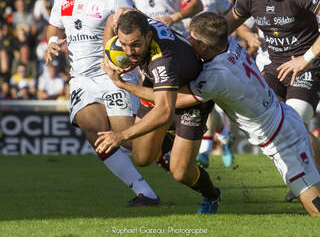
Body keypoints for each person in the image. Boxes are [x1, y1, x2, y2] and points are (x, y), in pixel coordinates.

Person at [105, 11, 320, 216]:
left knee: (314, 206)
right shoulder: (230, 46)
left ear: (204, 46)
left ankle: (177, 144)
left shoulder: (216, 76)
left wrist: (124, 86)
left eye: (193, 38)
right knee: (144, 157)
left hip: (282, 138)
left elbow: (173, 102)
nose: (188, 40)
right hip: (282, 117)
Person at [46, 0, 159, 207]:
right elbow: (53, 29)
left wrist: (125, 17)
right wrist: (50, 43)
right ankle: (145, 193)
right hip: (82, 79)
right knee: (96, 134)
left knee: (129, 140)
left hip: (113, 76)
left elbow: (133, 21)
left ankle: (167, 135)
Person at [96, 10, 221, 214]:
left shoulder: (163, 60)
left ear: (149, 36)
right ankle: (171, 134)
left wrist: (121, 133)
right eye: (124, 44)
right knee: (142, 159)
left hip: (191, 96)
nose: (129, 52)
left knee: (180, 173)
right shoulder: (136, 25)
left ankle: (212, 195)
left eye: (135, 44)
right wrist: (110, 57)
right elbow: (112, 18)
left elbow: (164, 110)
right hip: (160, 87)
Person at [225, 0, 320, 202]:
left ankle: (309, 181)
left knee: (294, 122)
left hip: (308, 68)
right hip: (273, 69)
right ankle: (308, 175)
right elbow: (224, 26)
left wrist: (306, 58)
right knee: (276, 127)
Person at [178, 0, 234, 168]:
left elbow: (229, 15)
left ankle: (223, 137)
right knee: (205, 101)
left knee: (219, 103)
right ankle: (210, 146)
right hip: (190, 52)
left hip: (216, 52)